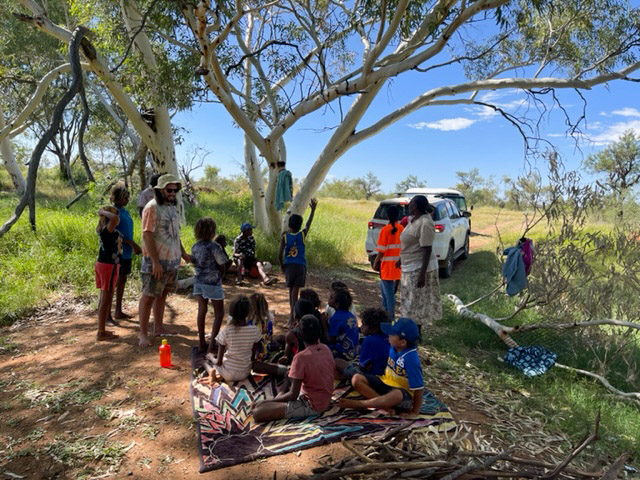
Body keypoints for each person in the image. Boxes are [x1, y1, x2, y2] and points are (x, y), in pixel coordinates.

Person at [138, 174, 192, 347]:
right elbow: (146, 235)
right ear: (160, 190)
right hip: (157, 261)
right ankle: (143, 334)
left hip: (172, 261)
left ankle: (159, 328)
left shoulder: (171, 207)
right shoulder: (152, 207)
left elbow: (175, 234)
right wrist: (155, 262)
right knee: (148, 296)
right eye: (169, 190)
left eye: (176, 190)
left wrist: (183, 253)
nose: (173, 193)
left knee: (162, 294)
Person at [252, 315, 336, 422]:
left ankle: (281, 392)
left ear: (300, 335)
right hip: (324, 399)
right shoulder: (325, 348)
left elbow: (293, 395)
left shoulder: (300, 357)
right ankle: (282, 391)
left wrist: (267, 402)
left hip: (312, 406)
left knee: (257, 412)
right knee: (288, 373)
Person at [339, 317, 424, 417]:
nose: (388, 335)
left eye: (392, 335)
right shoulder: (394, 347)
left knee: (396, 395)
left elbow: (419, 388)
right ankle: (384, 406)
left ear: (403, 342)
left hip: (403, 396)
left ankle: (361, 404)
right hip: (385, 382)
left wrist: (414, 412)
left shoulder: (411, 359)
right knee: (356, 379)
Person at [397, 195, 442, 332]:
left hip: (419, 268)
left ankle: (414, 334)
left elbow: (426, 249)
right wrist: (401, 259)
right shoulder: (414, 220)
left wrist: (422, 274)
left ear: (415, 205)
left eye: (410, 204)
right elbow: (411, 243)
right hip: (409, 265)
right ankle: (409, 331)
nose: (408, 206)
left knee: (415, 303)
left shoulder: (426, 223)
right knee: (408, 300)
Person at [279, 198, 318, 326]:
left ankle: (291, 318)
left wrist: (282, 266)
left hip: (289, 265)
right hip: (300, 265)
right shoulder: (302, 235)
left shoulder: (285, 236)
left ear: (289, 225)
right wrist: (313, 210)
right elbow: (309, 224)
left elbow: (280, 254)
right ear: (299, 226)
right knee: (294, 292)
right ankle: (292, 316)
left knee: (291, 293)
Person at [191, 217, 227, 353]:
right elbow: (222, 265)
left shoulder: (195, 246)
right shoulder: (215, 247)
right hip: (213, 282)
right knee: (219, 313)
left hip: (199, 282)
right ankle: (212, 345)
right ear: (213, 231)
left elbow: (194, 261)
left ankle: (201, 343)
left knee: (202, 310)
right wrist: (220, 277)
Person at [208, 295, 263, 383]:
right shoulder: (254, 330)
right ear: (248, 312)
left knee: (206, 362)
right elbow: (253, 356)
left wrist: (210, 357)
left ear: (231, 312)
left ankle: (213, 373)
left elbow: (218, 362)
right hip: (245, 372)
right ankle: (219, 376)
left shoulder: (226, 331)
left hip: (228, 373)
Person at [109, 183, 141, 324]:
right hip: (117, 252)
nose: (127, 200)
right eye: (124, 198)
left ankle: (118, 310)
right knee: (112, 283)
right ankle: (107, 315)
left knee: (122, 280)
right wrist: (132, 243)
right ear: (116, 198)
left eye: (127, 198)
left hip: (126, 253)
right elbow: (113, 234)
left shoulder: (125, 212)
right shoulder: (113, 212)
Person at [336, 307, 390, 378]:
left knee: (336, 361)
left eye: (364, 324)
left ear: (374, 328)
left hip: (372, 376)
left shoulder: (369, 340)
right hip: (385, 373)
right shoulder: (388, 337)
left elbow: (362, 367)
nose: (361, 327)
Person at [94, 206, 122, 341]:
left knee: (104, 298)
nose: (118, 218)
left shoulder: (106, 230)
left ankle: (102, 329)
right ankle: (101, 331)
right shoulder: (107, 230)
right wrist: (103, 212)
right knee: (106, 298)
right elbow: (115, 219)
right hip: (108, 266)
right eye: (116, 215)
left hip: (107, 265)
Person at [373, 205, 403, 320]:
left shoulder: (385, 230)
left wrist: (375, 262)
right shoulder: (402, 229)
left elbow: (381, 251)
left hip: (387, 267)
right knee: (387, 292)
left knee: (388, 294)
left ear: (387, 215)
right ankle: (386, 315)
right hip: (397, 266)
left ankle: (389, 318)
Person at [326, 288, 359, 362]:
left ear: (337, 304)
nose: (329, 298)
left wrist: (324, 324)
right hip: (354, 350)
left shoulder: (336, 318)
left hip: (343, 354)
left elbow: (331, 340)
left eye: (331, 298)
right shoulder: (350, 315)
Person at [279, 299, 315, 365]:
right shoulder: (316, 326)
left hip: (299, 365)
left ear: (295, 315)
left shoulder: (292, 334)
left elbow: (285, 358)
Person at [248, 292, 274, 361]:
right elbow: (270, 337)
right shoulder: (269, 320)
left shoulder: (248, 322)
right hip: (266, 352)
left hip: (251, 354)